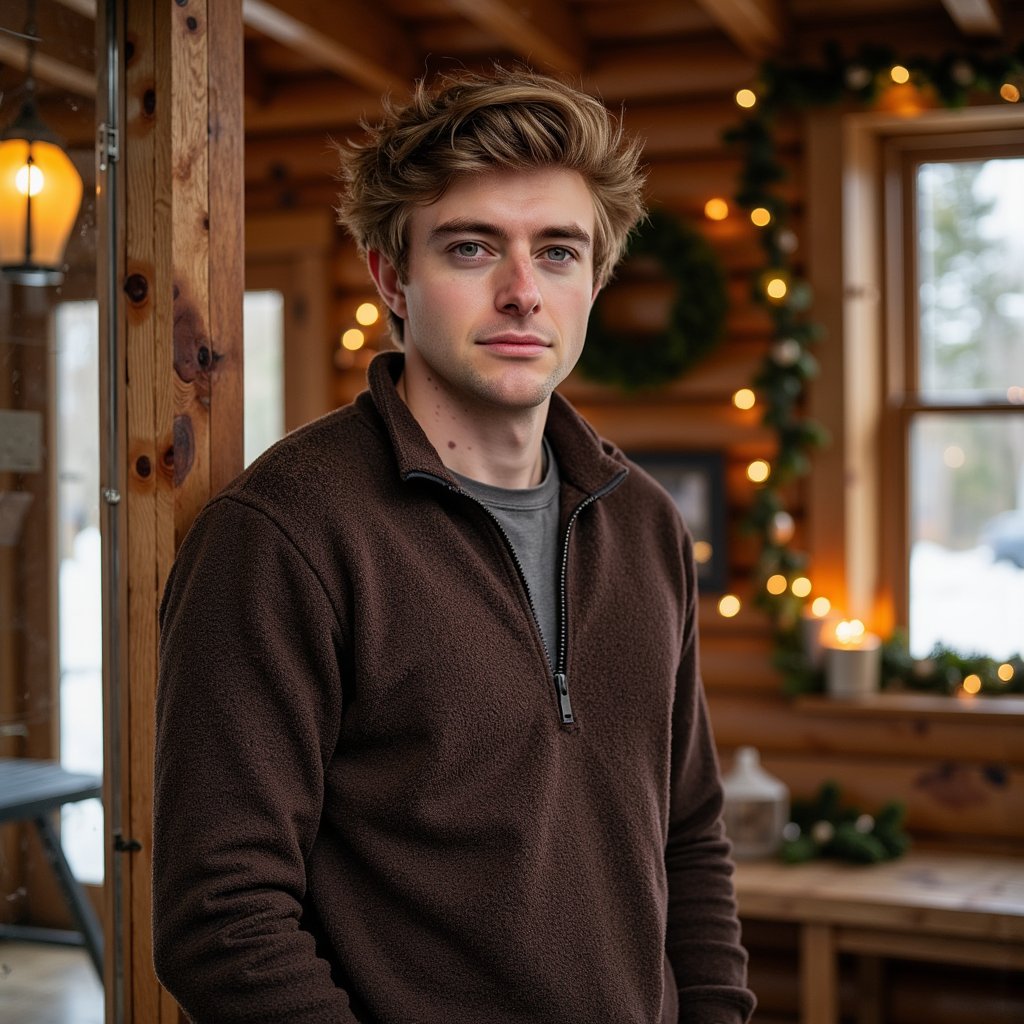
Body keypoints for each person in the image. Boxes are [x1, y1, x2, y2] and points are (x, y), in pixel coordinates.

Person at [152, 68, 755, 1024]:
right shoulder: (284, 535)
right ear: (392, 276)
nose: (522, 292)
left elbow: (688, 838)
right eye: (472, 248)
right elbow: (220, 915)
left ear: (595, 279)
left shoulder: (643, 523)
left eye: (557, 252)